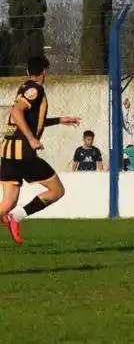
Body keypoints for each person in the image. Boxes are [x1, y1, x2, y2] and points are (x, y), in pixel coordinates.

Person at [0, 56, 82, 245]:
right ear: (44, 72)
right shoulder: (35, 89)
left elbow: (30, 119)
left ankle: (14, 216)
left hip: (8, 151)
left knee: (8, 202)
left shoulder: (24, 88)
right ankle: (17, 217)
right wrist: (31, 138)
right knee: (57, 190)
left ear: (28, 72)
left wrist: (60, 120)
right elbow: (16, 112)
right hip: (23, 152)